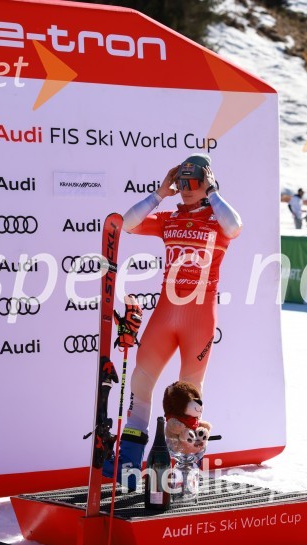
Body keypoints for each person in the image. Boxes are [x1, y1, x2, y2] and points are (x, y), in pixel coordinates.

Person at [102, 153, 242, 487]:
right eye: (182, 183)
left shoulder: (217, 219)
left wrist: (213, 193)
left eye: (194, 183)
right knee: (140, 385)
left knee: (188, 400)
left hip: (199, 318)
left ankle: (183, 470)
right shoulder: (170, 218)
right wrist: (159, 194)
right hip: (166, 315)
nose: (187, 190)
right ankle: (129, 466)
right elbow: (126, 223)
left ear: (206, 182)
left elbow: (235, 226)